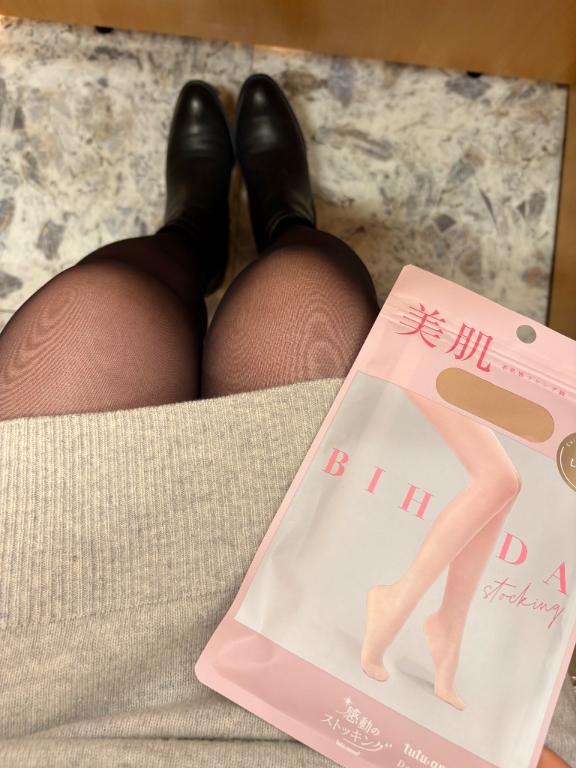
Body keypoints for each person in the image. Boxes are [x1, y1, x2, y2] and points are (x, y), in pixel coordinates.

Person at [0, 74, 570, 768]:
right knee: (303, 294)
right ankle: (279, 221)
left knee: (98, 312)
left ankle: (192, 235)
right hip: (371, 735)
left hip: (46, 686)